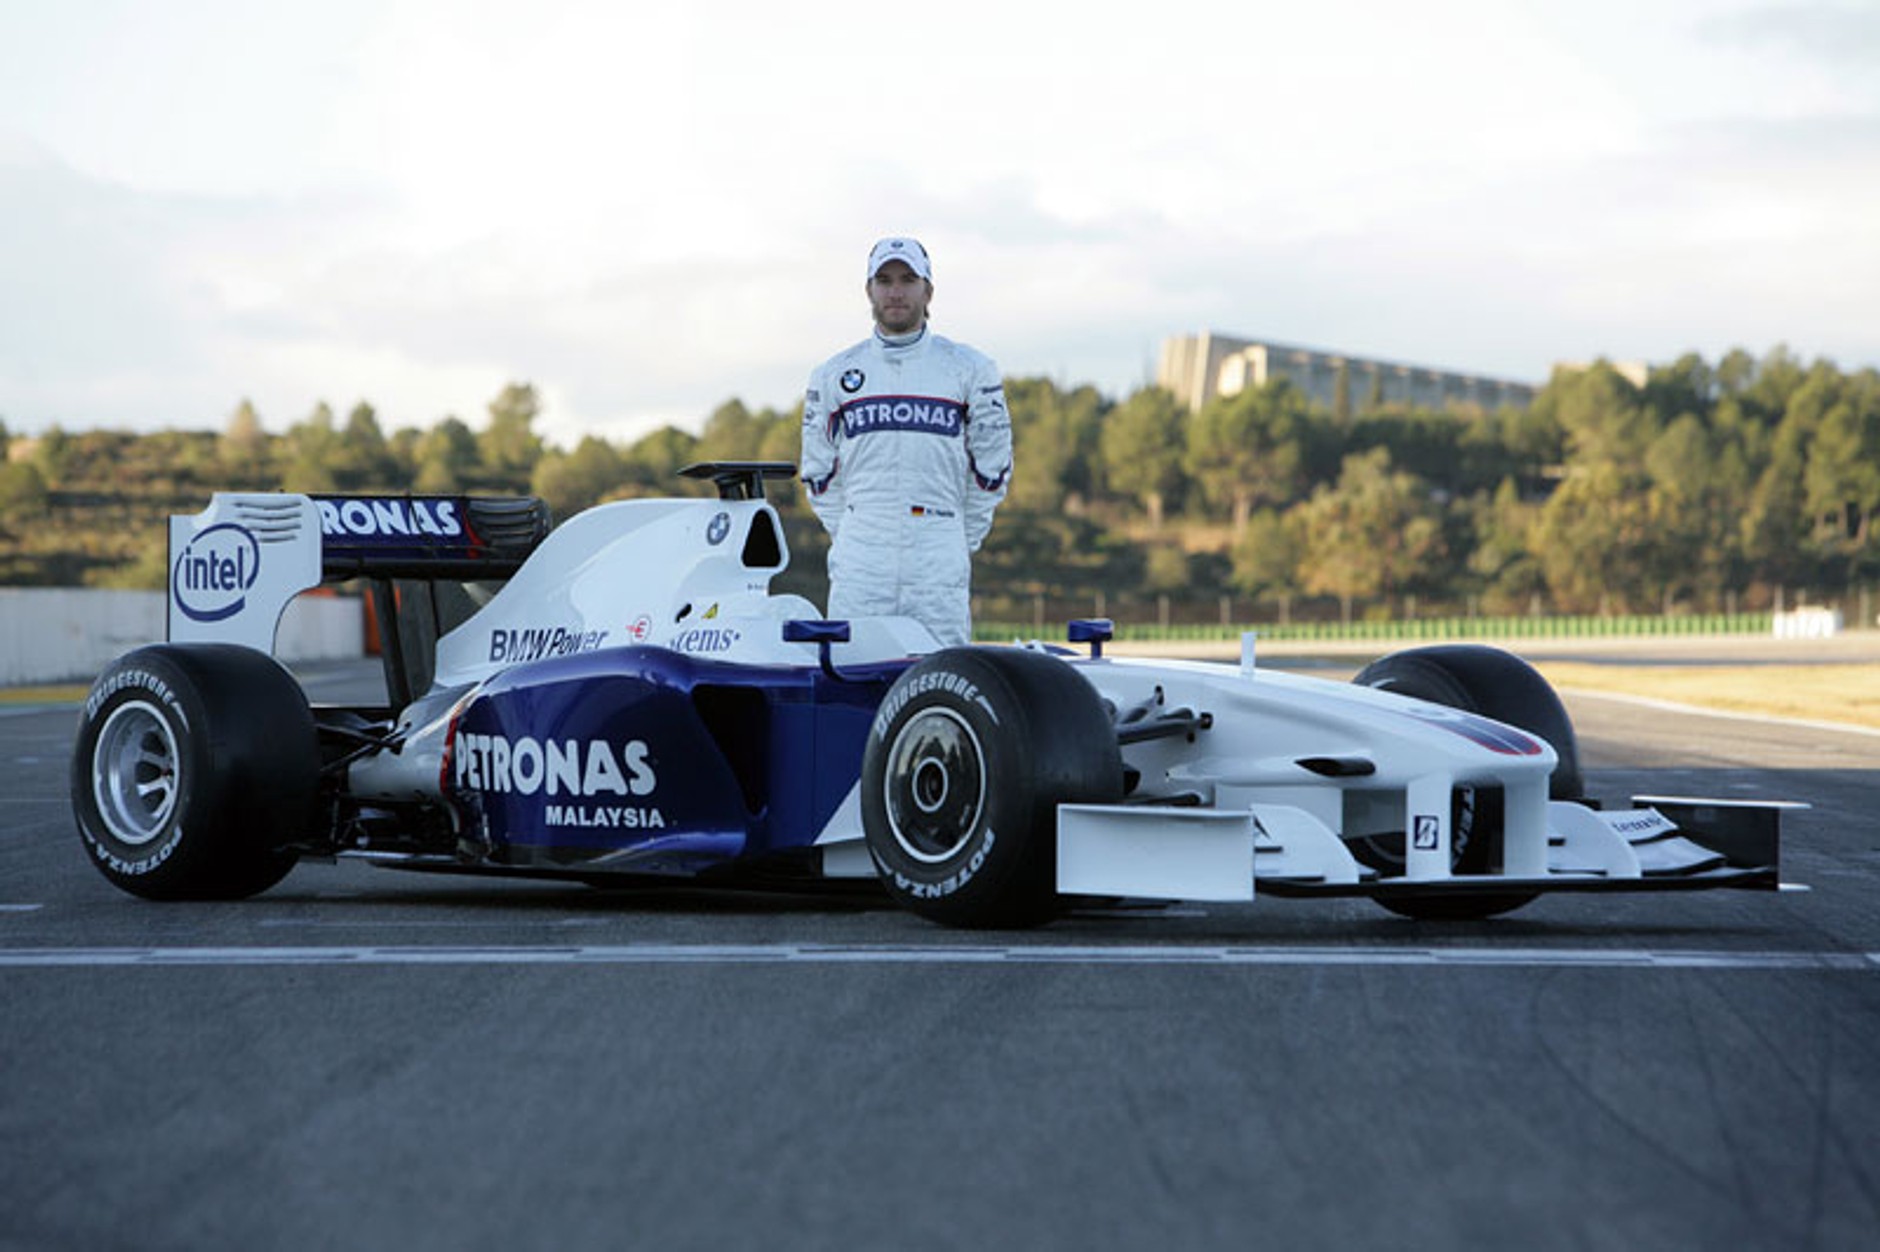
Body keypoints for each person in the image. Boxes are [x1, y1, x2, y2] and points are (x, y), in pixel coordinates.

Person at [799, 237, 1012, 647]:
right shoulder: (833, 374)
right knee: (854, 672)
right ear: (869, 291)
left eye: (907, 280)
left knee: (939, 677)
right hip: (862, 561)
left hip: (938, 559)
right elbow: (818, 473)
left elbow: (992, 468)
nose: (895, 292)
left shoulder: (970, 368)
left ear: (928, 290)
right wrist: (859, 533)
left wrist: (953, 538)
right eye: (884, 281)